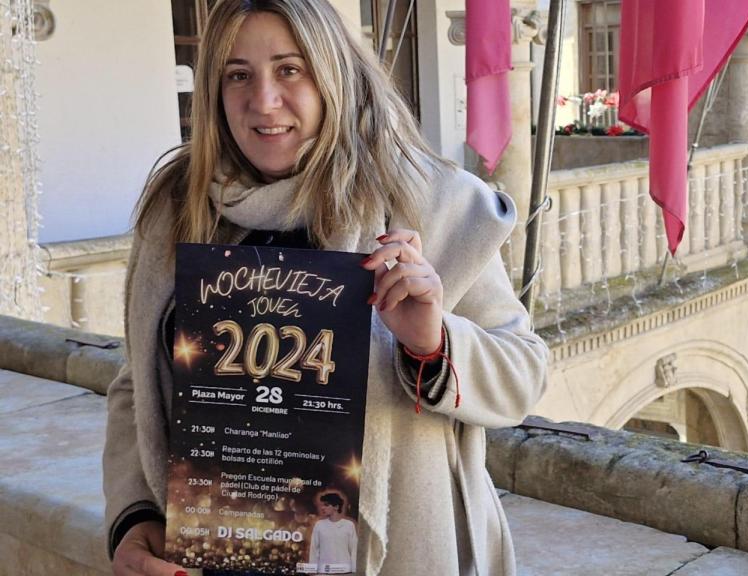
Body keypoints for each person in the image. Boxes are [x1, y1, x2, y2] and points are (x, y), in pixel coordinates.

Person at [102, 1, 549, 575]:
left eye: (290, 69)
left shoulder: (430, 202)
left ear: (333, 72)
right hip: (224, 554)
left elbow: (523, 376)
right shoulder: (177, 209)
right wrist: (133, 517)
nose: (263, 101)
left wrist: (432, 344)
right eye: (238, 75)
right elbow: (137, 386)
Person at [308, 492, 358, 574]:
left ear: (336, 507)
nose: (322, 508)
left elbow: (354, 549)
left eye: (326, 505)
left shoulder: (349, 525)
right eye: (322, 505)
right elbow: (314, 549)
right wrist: (312, 569)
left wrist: (354, 570)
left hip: (344, 570)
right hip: (324, 570)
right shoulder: (319, 525)